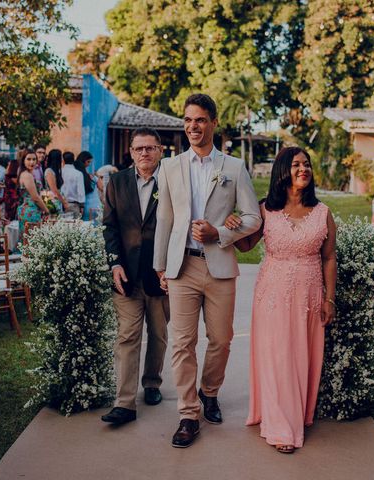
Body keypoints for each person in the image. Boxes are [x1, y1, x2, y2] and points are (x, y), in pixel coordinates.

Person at [153, 93, 261, 448]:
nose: (192, 126)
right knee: (182, 343)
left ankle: (209, 391)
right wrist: (160, 266)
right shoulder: (169, 168)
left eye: (199, 119)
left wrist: (221, 233)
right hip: (181, 266)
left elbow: (252, 218)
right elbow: (165, 219)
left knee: (221, 340)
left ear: (213, 122)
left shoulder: (233, 168)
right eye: (187, 120)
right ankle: (188, 413)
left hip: (220, 266)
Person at [225, 147, 337, 454]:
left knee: (301, 356)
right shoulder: (266, 210)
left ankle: (297, 413)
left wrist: (330, 299)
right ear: (282, 171)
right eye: (296, 164)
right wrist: (233, 225)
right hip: (273, 294)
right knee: (277, 358)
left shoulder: (323, 213)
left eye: (307, 164)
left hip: (310, 295)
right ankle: (281, 427)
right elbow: (246, 245)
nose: (303, 169)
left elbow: (329, 258)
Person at [101, 127, 170, 425]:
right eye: (139, 148)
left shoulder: (170, 181)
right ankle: (124, 403)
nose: (145, 153)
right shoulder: (115, 183)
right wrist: (114, 262)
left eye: (150, 148)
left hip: (161, 273)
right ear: (130, 152)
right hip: (125, 275)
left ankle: (152, 382)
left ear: (160, 151)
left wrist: (171, 265)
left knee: (158, 334)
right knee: (127, 336)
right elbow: (110, 226)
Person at [17, 149, 49, 234]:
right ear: (23, 160)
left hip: (30, 210)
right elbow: (35, 198)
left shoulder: (27, 174)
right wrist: (47, 211)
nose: (32, 162)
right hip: (30, 211)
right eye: (28, 159)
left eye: (34, 159)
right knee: (31, 241)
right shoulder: (27, 175)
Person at [75, 151, 101, 221]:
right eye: (88, 162)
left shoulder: (76, 175)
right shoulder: (90, 176)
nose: (89, 164)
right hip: (96, 206)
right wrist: (97, 176)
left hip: (83, 206)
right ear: (83, 161)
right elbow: (101, 187)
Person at [60, 151, 85, 219]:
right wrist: (82, 206)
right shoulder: (78, 174)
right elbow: (81, 192)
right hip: (74, 205)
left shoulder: (60, 172)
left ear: (63, 161)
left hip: (60, 205)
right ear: (73, 160)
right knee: (74, 228)